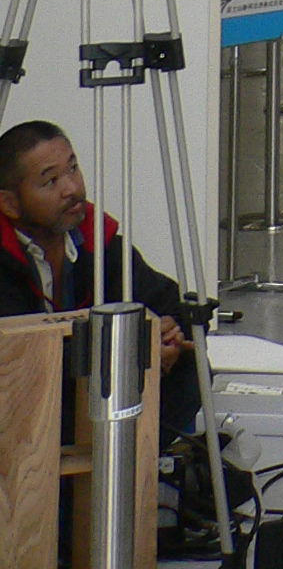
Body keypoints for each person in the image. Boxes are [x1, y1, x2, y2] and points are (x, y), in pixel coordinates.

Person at [0, 120, 199, 440]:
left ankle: (126, 475)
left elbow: (163, 298)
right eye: (50, 181)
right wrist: (136, 354)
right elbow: (22, 355)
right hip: (26, 405)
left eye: (74, 169)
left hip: (97, 386)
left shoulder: (98, 242)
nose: (73, 188)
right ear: (10, 204)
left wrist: (168, 335)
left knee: (192, 369)